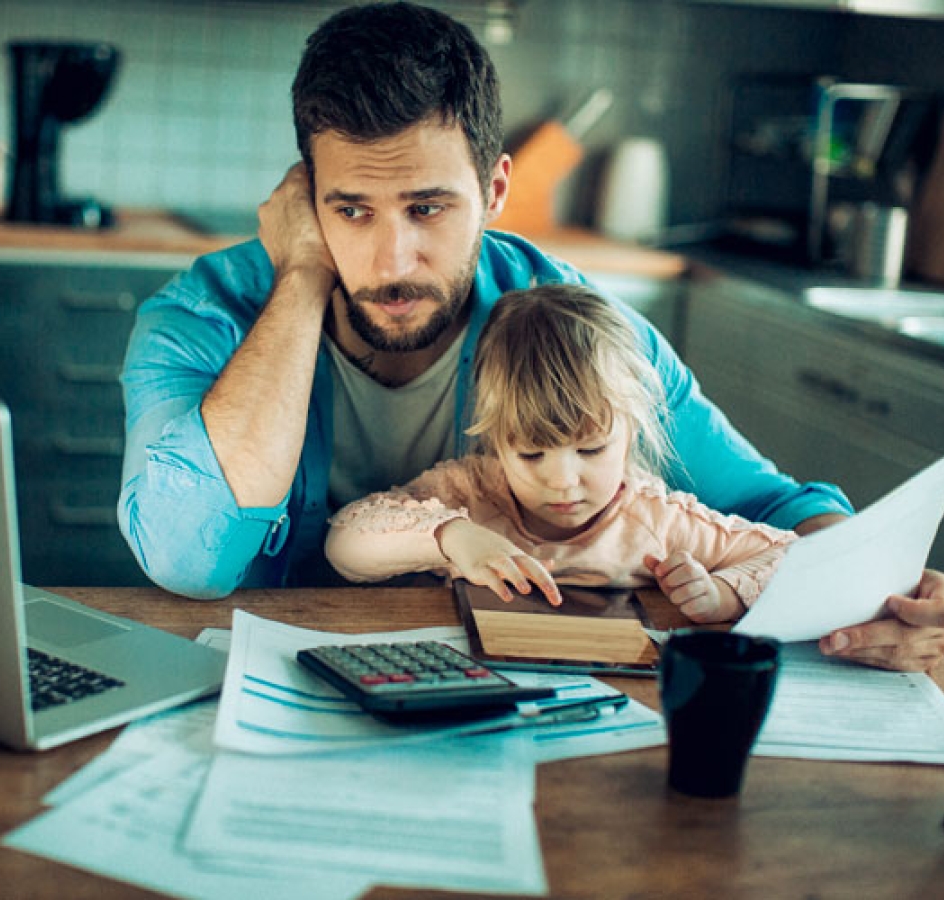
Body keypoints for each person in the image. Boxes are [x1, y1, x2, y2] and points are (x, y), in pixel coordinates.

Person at [117, 1, 944, 672]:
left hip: (511, 695)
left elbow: (781, 510)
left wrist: (880, 598)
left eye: (429, 208)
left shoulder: (573, 327)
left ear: (496, 189)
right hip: (267, 685)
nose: (391, 259)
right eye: (351, 209)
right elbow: (189, 558)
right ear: (305, 197)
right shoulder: (204, 315)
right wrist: (300, 279)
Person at [326, 285, 798, 623]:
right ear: (496, 439)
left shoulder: (658, 521)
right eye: (532, 455)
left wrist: (722, 594)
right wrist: (452, 536)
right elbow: (343, 544)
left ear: (631, 432)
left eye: (591, 449)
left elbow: (793, 556)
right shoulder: (470, 492)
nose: (564, 482)